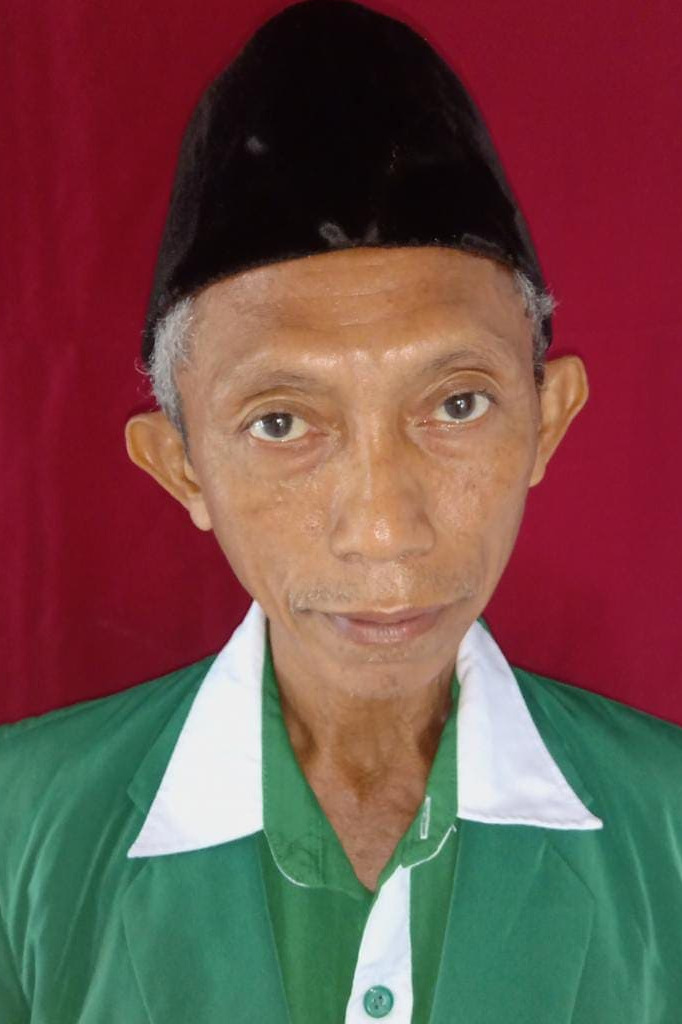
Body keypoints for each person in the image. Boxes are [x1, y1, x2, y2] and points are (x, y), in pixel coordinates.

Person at [1, 1, 681, 1021]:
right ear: (182, 469)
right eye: (282, 422)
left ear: (547, 421)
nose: (383, 530)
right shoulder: (17, 829)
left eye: (456, 404)